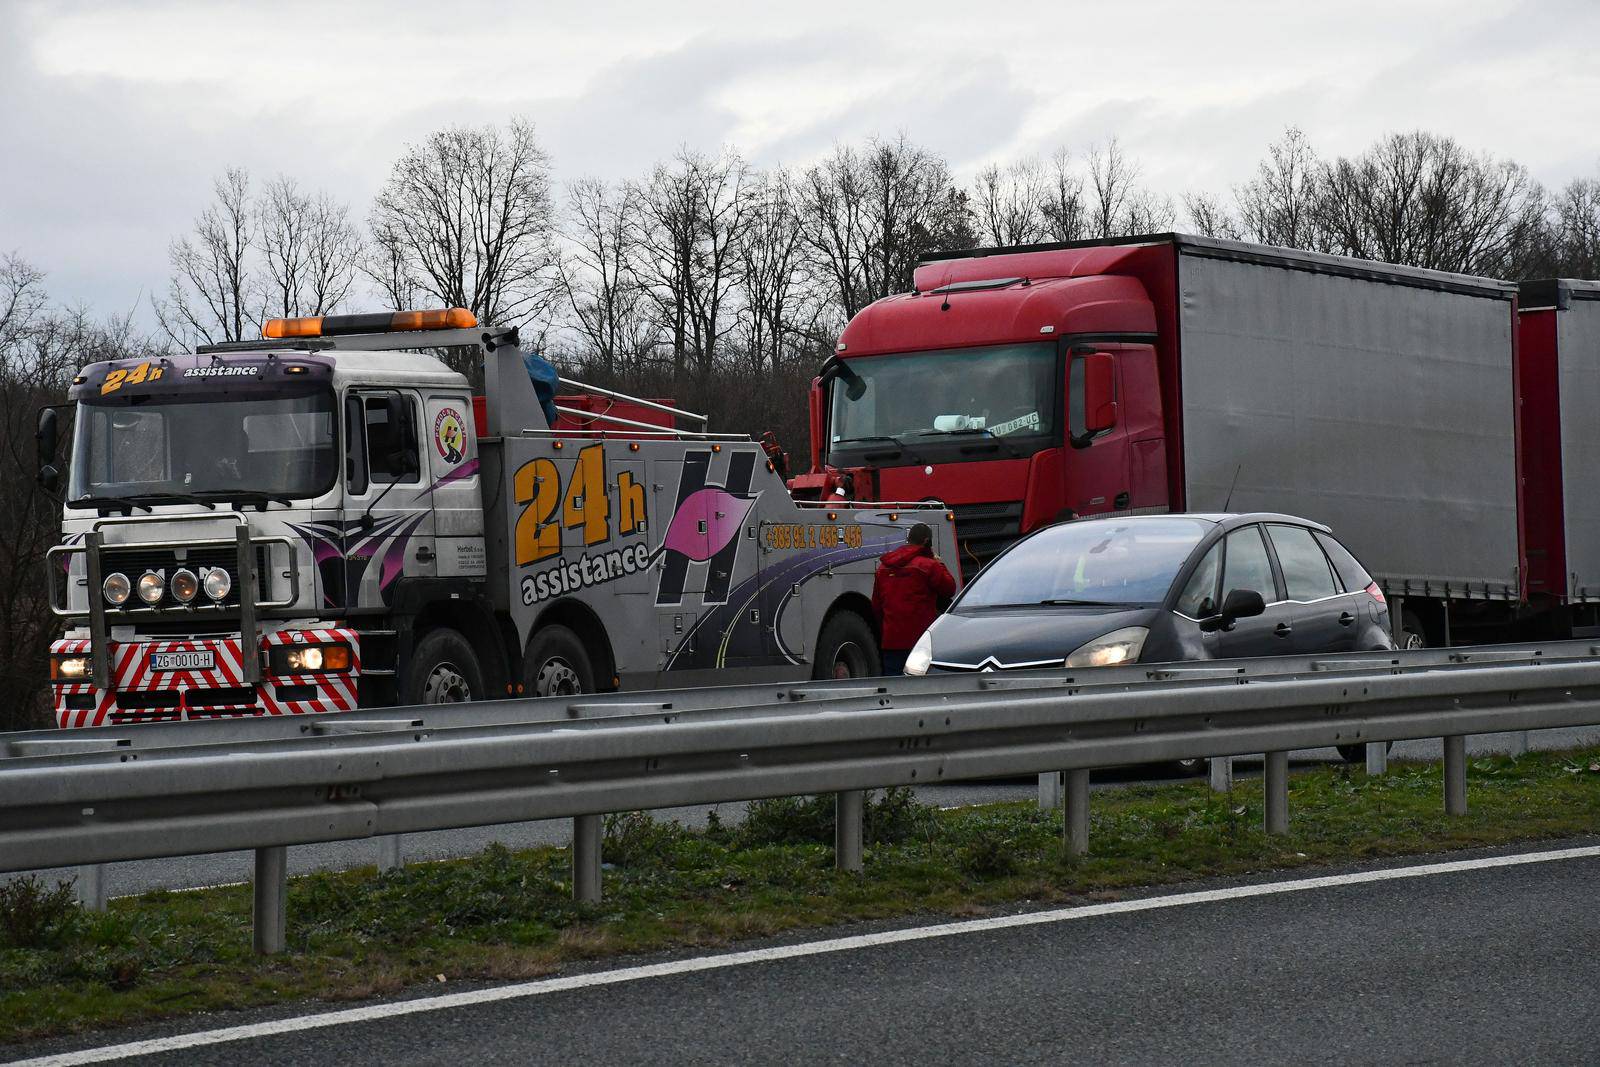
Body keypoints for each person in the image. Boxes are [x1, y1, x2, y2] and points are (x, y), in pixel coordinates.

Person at [871, 522, 957, 675]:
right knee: (921, 689)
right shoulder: (929, 566)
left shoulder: (883, 568)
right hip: (920, 641)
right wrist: (940, 563)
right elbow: (949, 589)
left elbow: (877, 607)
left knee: (894, 689)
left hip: (891, 641)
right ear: (927, 542)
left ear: (908, 540)